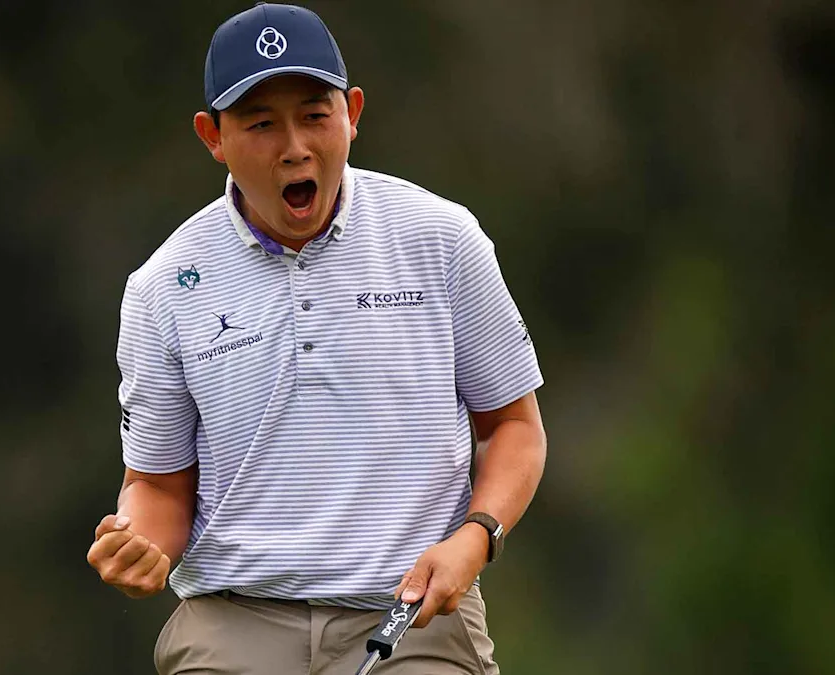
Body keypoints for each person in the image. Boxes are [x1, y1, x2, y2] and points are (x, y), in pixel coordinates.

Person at [86, 3, 547, 673]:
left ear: (352, 113)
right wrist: (140, 544)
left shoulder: (441, 239)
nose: (295, 147)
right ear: (213, 136)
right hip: (233, 618)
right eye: (261, 124)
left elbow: (514, 428)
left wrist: (475, 539)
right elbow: (159, 487)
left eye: (314, 115)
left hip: (409, 613)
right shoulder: (164, 286)